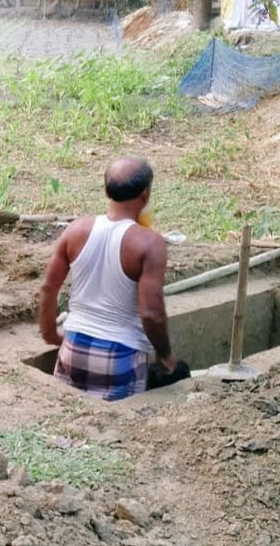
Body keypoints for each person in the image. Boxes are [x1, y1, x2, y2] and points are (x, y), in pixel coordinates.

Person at [38, 158, 190, 402]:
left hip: (71, 350)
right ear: (145, 194)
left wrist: (49, 334)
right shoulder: (149, 243)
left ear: (106, 190)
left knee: (67, 423)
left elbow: (48, 288)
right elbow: (151, 314)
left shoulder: (76, 230)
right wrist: (165, 356)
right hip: (120, 358)